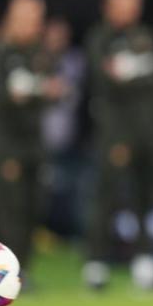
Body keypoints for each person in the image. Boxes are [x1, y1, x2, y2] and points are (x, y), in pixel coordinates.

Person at [82, 0, 153, 289]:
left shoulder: (144, 36)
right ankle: (96, 267)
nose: (129, 8)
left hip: (146, 130)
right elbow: (107, 82)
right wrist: (135, 77)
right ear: (110, 5)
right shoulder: (99, 38)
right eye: (123, 1)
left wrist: (130, 76)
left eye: (134, 1)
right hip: (114, 132)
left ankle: (144, 266)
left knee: (145, 199)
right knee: (107, 199)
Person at [0, 0, 64, 275]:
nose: (31, 24)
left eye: (35, 18)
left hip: (35, 143)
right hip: (7, 143)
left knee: (33, 209)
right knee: (10, 210)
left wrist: (45, 92)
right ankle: (6, 272)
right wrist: (29, 93)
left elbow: (54, 92)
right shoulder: (0, 53)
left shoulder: (41, 55)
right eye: (26, 17)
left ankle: (24, 270)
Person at [41, 15, 86, 239]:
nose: (57, 40)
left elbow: (74, 95)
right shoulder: (36, 58)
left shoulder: (74, 61)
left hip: (69, 137)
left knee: (69, 191)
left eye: (62, 35)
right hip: (39, 137)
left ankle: (67, 233)